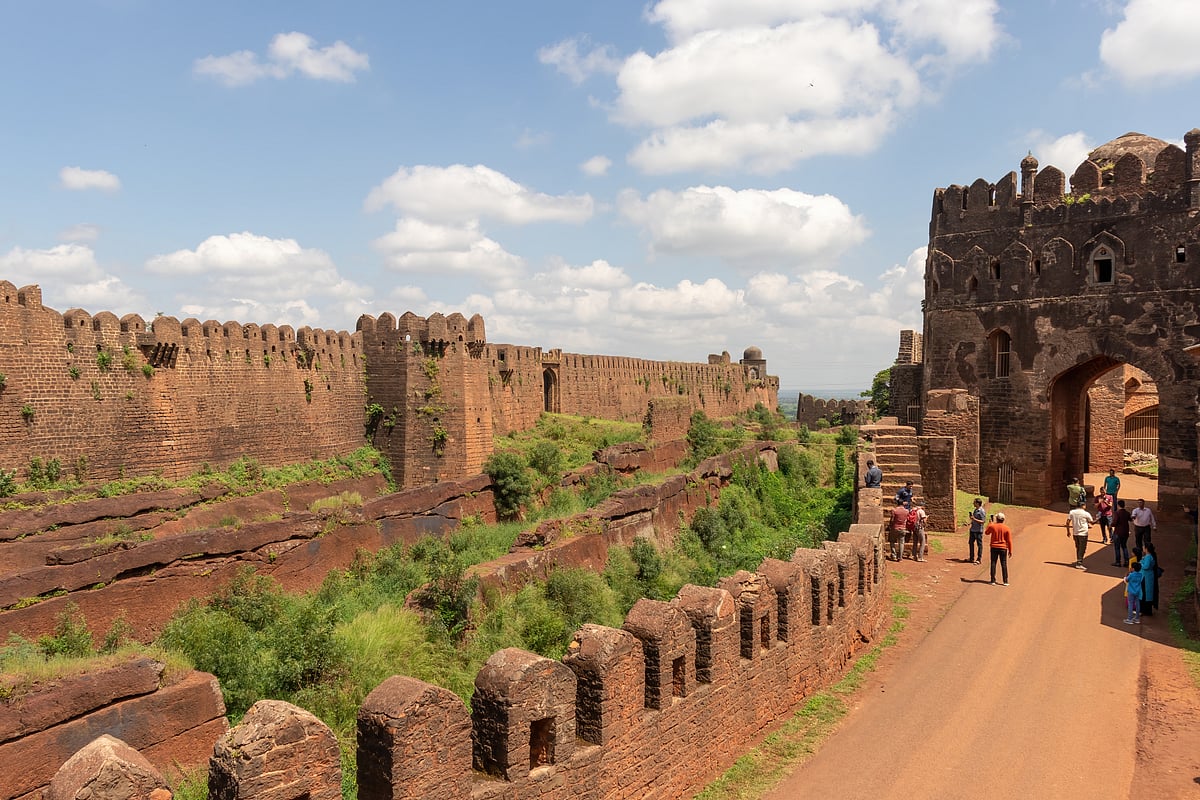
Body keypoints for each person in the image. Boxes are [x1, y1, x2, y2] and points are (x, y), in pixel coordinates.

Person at [986, 511, 1013, 585]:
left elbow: (986, 532)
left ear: (997, 519)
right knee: (1004, 564)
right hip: (1003, 548)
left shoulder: (993, 526)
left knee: (993, 563)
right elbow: (1009, 540)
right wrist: (1010, 550)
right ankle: (1005, 581)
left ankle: (992, 580)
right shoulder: (1007, 528)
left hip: (994, 547)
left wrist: (990, 524)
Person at [1066, 503, 1095, 569]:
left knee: (1078, 547)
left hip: (1075, 533)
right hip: (1083, 533)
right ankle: (1079, 563)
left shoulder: (1072, 512)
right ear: (1083, 506)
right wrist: (1098, 519)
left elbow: (1067, 522)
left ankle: (1079, 560)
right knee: (1082, 548)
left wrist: (1068, 531)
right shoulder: (1086, 513)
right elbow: (1092, 522)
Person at [1140, 542, 1159, 617]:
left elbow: (1146, 566)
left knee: (1144, 593)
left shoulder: (1148, 557)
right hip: (1149, 576)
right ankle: (1147, 610)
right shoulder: (1150, 556)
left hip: (1146, 577)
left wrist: (1141, 564)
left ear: (1146, 549)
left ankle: (1144, 610)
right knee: (1147, 594)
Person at [889, 498, 910, 562]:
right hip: (903, 528)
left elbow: (892, 520)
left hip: (895, 528)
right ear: (903, 504)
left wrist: (890, 525)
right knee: (901, 543)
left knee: (892, 541)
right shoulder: (906, 511)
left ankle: (894, 555)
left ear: (897, 503)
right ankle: (900, 557)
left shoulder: (894, 510)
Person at [1112, 499, 1132, 567]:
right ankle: (1126, 561)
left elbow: (1114, 523)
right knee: (1124, 546)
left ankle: (1118, 562)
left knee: (1117, 547)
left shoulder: (1117, 513)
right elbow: (1130, 519)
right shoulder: (1127, 513)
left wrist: (1111, 525)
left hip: (1118, 532)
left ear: (1118, 505)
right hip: (1125, 532)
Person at [1124, 560, 1144, 624]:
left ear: (1133, 568)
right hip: (1138, 591)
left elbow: (1126, 580)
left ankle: (1130, 619)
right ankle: (1137, 618)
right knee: (1137, 604)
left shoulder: (1131, 575)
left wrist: (1126, 576)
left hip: (1131, 591)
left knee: (1130, 604)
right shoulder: (1140, 575)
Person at [968, 497, 986, 564]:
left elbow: (983, 521)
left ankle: (979, 559)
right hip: (973, 529)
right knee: (970, 543)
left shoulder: (982, 511)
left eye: (974, 502)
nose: (973, 503)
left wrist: (974, 519)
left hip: (978, 531)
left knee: (979, 545)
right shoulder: (975, 510)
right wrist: (970, 522)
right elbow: (974, 519)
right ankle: (971, 558)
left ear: (978, 503)